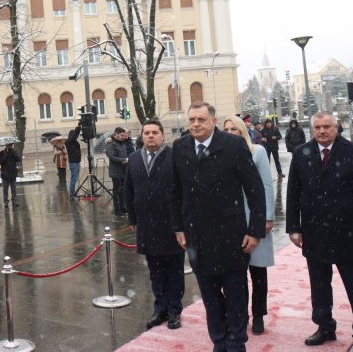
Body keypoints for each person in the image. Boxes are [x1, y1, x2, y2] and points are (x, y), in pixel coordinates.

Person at [171, 101, 266, 352]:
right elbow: (175, 192)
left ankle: (236, 342)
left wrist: (254, 230)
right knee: (210, 297)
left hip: (232, 237)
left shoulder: (233, 145)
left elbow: (255, 190)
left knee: (235, 295)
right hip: (197, 237)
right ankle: (219, 341)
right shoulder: (180, 147)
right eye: (192, 119)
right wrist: (178, 228)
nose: (195, 124)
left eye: (201, 119)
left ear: (213, 121)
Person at [286, 111, 353, 347]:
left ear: (336, 127)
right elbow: (293, 194)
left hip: (350, 232)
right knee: (319, 284)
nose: (322, 131)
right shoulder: (301, 153)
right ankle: (324, 326)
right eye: (317, 127)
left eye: (327, 126)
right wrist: (294, 227)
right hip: (315, 231)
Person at [125, 119, 184, 330]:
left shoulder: (174, 157)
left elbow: (183, 190)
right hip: (146, 224)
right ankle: (160, 309)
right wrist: (132, 218)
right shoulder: (133, 158)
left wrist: (183, 224)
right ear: (142, 136)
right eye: (147, 133)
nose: (151, 136)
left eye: (155, 132)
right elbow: (128, 190)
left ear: (163, 135)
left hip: (172, 225)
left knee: (174, 270)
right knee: (155, 271)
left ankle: (175, 310)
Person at [223, 115, 275, 336]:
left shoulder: (258, 152)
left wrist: (267, 217)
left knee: (258, 272)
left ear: (242, 131)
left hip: (254, 217)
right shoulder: (220, 154)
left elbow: (265, 185)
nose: (230, 133)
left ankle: (259, 315)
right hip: (230, 222)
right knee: (235, 274)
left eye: (234, 129)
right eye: (226, 129)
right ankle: (239, 314)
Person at [106, 127, 129, 215]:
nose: (124, 137)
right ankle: (117, 210)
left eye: (124, 135)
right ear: (116, 135)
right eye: (122, 135)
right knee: (117, 191)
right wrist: (124, 160)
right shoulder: (111, 144)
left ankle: (123, 207)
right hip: (115, 172)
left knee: (123, 190)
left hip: (123, 171)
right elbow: (111, 157)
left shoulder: (122, 143)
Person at [0, 143, 21, 207]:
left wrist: (14, 153)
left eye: (11, 145)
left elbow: (18, 159)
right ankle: (6, 202)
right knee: (5, 189)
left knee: (14, 189)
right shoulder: (1, 153)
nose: (9, 146)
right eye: (8, 145)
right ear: (5, 145)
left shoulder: (14, 152)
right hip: (5, 174)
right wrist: (5, 156)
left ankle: (14, 201)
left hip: (13, 173)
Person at [66, 124, 82, 197]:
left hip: (76, 162)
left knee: (75, 177)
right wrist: (78, 128)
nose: (76, 137)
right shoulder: (69, 141)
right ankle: (72, 193)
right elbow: (75, 135)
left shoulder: (74, 142)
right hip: (74, 162)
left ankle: (73, 192)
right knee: (74, 178)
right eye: (75, 135)